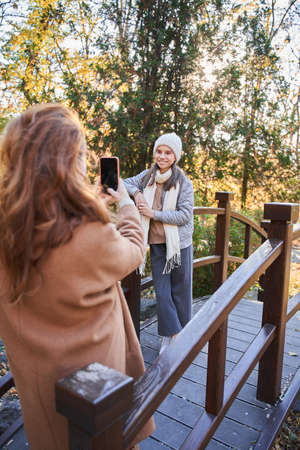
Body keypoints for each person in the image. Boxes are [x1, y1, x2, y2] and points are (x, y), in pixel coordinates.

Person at [0, 104, 154, 450]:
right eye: (81, 153)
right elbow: (132, 253)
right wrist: (124, 206)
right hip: (97, 379)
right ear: (64, 160)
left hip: (40, 380)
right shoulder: (86, 228)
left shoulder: (8, 226)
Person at [124, 132, 194, 354]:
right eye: (159, 151)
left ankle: (182, 332)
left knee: (180, 292)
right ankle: (170, 335)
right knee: (162, 292)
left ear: (175, 156)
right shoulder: (147, 176)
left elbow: (184, 215)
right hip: (156, 245)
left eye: (168, 152)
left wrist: (154, 213)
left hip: (179, 246)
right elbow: (123, 182)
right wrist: (137, 194)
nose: (162, 156)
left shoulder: (184, 183)